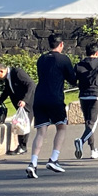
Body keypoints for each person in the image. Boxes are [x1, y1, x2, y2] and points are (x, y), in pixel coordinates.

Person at [27, 34, 77, 179]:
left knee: (41, 132)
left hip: (40, 97)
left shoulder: (41, 59)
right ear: (61, 44)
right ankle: (53, 159)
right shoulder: (63, 59)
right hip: (55, 98)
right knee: (61, 127)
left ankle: (33, 163)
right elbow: (72, 79)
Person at [73, 43, 98, 160]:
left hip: (83, 96)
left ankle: (93, 149)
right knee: (92, 124)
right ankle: (81, 141)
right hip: (96, 96)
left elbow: (74, 80)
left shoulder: (79, 65)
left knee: (88, 123)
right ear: (97, 53)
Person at [0, 61, 34, 155]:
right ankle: (22, 146)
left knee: (23, 124)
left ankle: (22, 147)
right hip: (20, 105)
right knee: (21, 123)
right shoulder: (8, 78)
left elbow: (31, 84)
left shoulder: (17, 73)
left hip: (29, 102)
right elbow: (6, 92)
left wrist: (25, 100)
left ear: (1, 71)